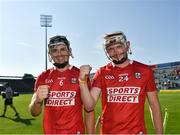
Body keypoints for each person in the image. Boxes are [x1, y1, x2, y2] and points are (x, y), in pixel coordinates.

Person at [79, 31, 163, 134]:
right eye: (110, 49)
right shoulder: (102, 72)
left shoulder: (145, 70)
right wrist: (82, 81)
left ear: (127, 45)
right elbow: (89, 106)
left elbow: (154, 105)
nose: (116, 52)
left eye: (118, 46)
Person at [29, 35, 95, 134]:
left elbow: (89, 110)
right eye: (54, 50)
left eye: (63, 49)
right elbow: (34, 113)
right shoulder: (43, 77)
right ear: (50, 54)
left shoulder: (80, 75)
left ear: (69, 51)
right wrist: (37, 101)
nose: (59, 54)